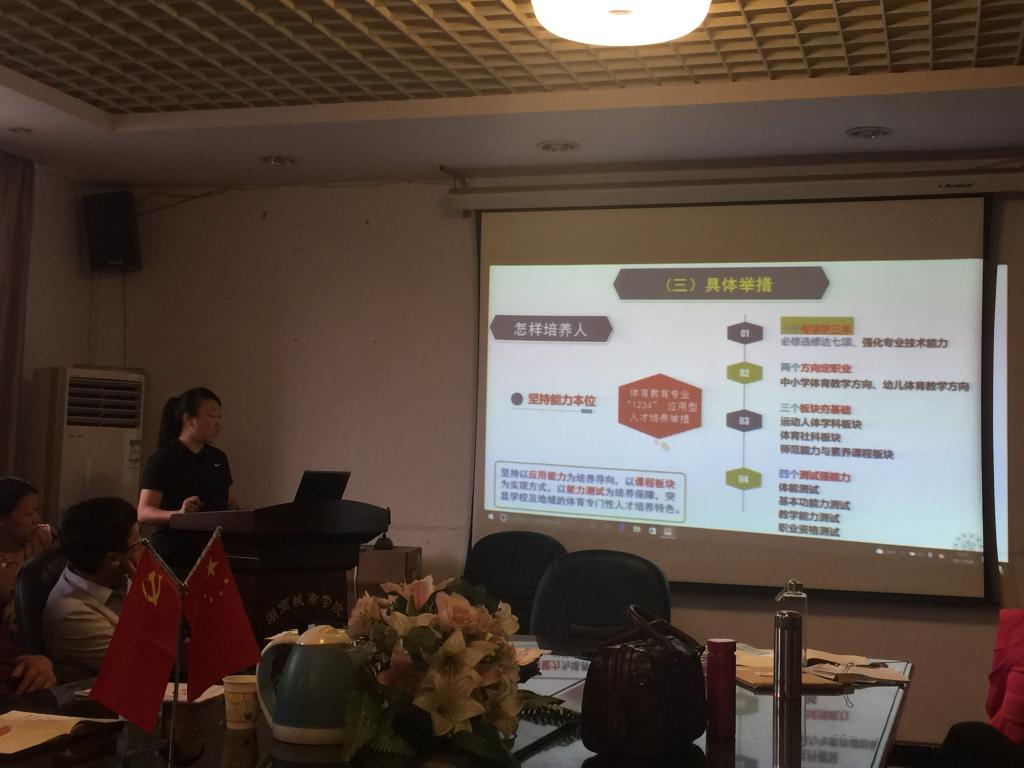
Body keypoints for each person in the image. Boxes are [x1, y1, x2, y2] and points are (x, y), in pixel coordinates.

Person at [42, 497, 141, 682]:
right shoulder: (71, 614)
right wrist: (149, 590)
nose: (143, 549)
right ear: (114, 559)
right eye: (137, 545)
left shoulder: (115, 576)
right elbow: (143, 663)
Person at [137, 387, 235, 571]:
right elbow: (144, 512)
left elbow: (228, 502)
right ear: (189, 419)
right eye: (211, 416)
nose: (217, 423)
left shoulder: (218, 458)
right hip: (175, 553)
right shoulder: (164, 459)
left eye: (219, 417)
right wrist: (179, 514)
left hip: (212, 553)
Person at [0, 477, 56, 635]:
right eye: (28, 513)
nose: (37, 520)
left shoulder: (44, 536)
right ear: (2, 519)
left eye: (36, 510)